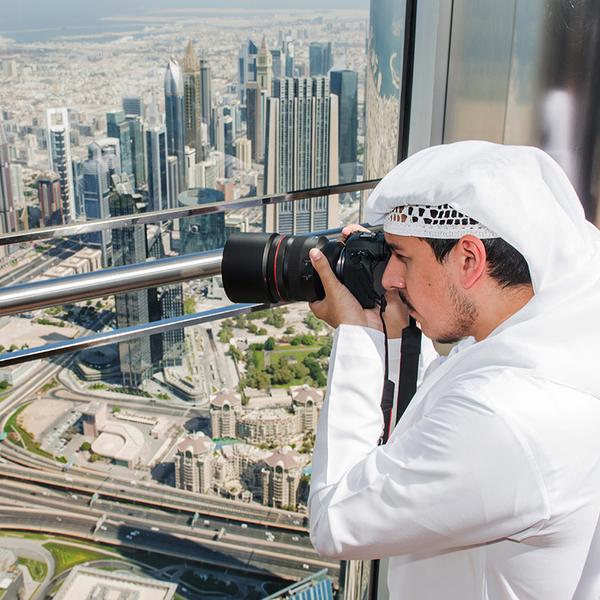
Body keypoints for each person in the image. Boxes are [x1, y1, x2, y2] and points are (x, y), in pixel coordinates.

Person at [307, 140, 600, 600]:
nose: (389, 279)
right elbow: (442, 406)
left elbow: (334, 521)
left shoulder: (506, 415)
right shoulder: (549, 328)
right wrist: (395, 328)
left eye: (402, 257)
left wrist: (359, 332)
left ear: (469, 259)